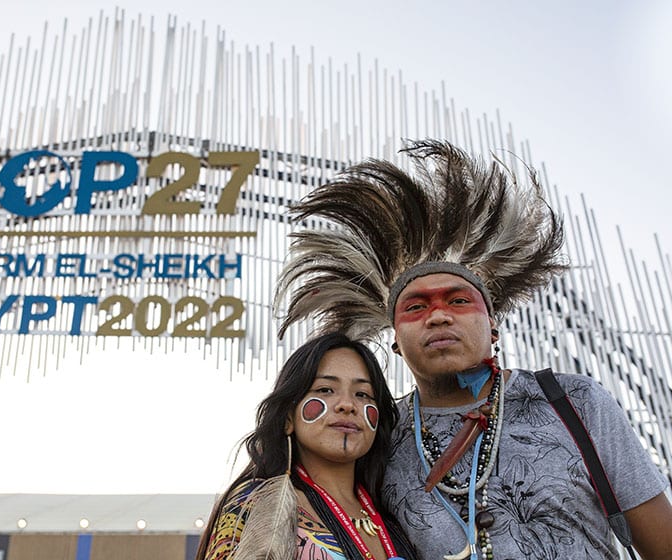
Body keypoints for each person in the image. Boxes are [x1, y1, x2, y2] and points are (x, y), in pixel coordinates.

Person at [274, 140, 672, 559]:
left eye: (458, 301)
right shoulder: (380, 439)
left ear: (492, 325)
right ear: (394, 339)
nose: (439, 317)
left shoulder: (574, 403)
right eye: (416, 307)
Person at [196, 332, 417, 560]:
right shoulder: (254, 503)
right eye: (325, 390)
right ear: (288, 418)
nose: (347, 404)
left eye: (362, 394)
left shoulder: (397, 511)